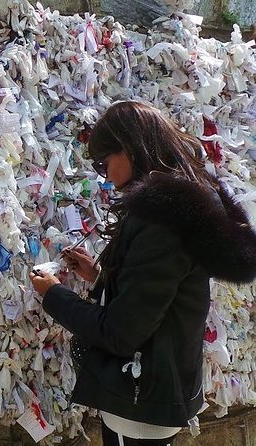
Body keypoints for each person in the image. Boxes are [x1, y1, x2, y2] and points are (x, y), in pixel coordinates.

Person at [30, 101, 256, 446]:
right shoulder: (179, 208)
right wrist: (100, 276)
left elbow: (121, 333)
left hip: (139, 398)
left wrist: (54, 295)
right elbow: (158, 290)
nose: (104, 174)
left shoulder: (162, 221)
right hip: (153, 388)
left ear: (130, 150)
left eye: (104, 162)